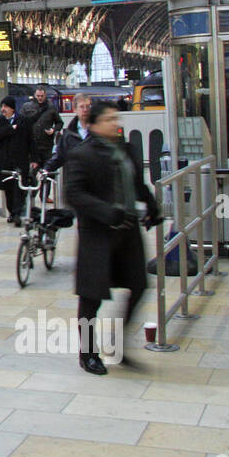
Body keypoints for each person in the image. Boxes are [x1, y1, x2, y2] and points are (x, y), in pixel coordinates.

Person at [64, 101, 162, 376]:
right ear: (93, 124)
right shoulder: (81, 154)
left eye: (116, 118)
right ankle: (88, 354)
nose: (115, 123)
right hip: (98, 235)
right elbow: (74, 195)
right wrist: (108, 213)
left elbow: (137, 183)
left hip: (128, 232)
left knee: (138, 286)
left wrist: (152, 206)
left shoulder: (126, 149)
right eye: (108, 119)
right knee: (91, 297)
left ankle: (117, 343)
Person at [0, 98, 30, 225]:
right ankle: (12, 212)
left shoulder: (23, 120)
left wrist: (34, 159)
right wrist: (12, 128)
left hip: (20, 160)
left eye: (6, 107)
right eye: (2, 106)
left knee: (19, 188)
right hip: (5, 161)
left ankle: (17, 213)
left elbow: (30, 140)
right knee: (8, 189)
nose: (3, 109)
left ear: (12, 108)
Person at [41, 94, 92, 174]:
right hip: (75, 180)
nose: (85, 110)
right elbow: (59, 157)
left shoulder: (98, 131)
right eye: (82, 107)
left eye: (88, 106)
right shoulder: (68, 135)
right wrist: (46, 169)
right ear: (75, 109)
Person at [20, 84, 64, 170]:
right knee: (32, 170)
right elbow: (20, 121)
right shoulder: (26, 107)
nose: (40, 98)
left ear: (45, 95)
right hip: (32, 145)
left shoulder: (51, 108)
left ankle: (46, 183)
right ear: (34, 95)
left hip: (46, 145)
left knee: (47, 169)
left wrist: (54, 130)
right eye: (38, 96)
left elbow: (59, 122)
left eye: (42, 96)